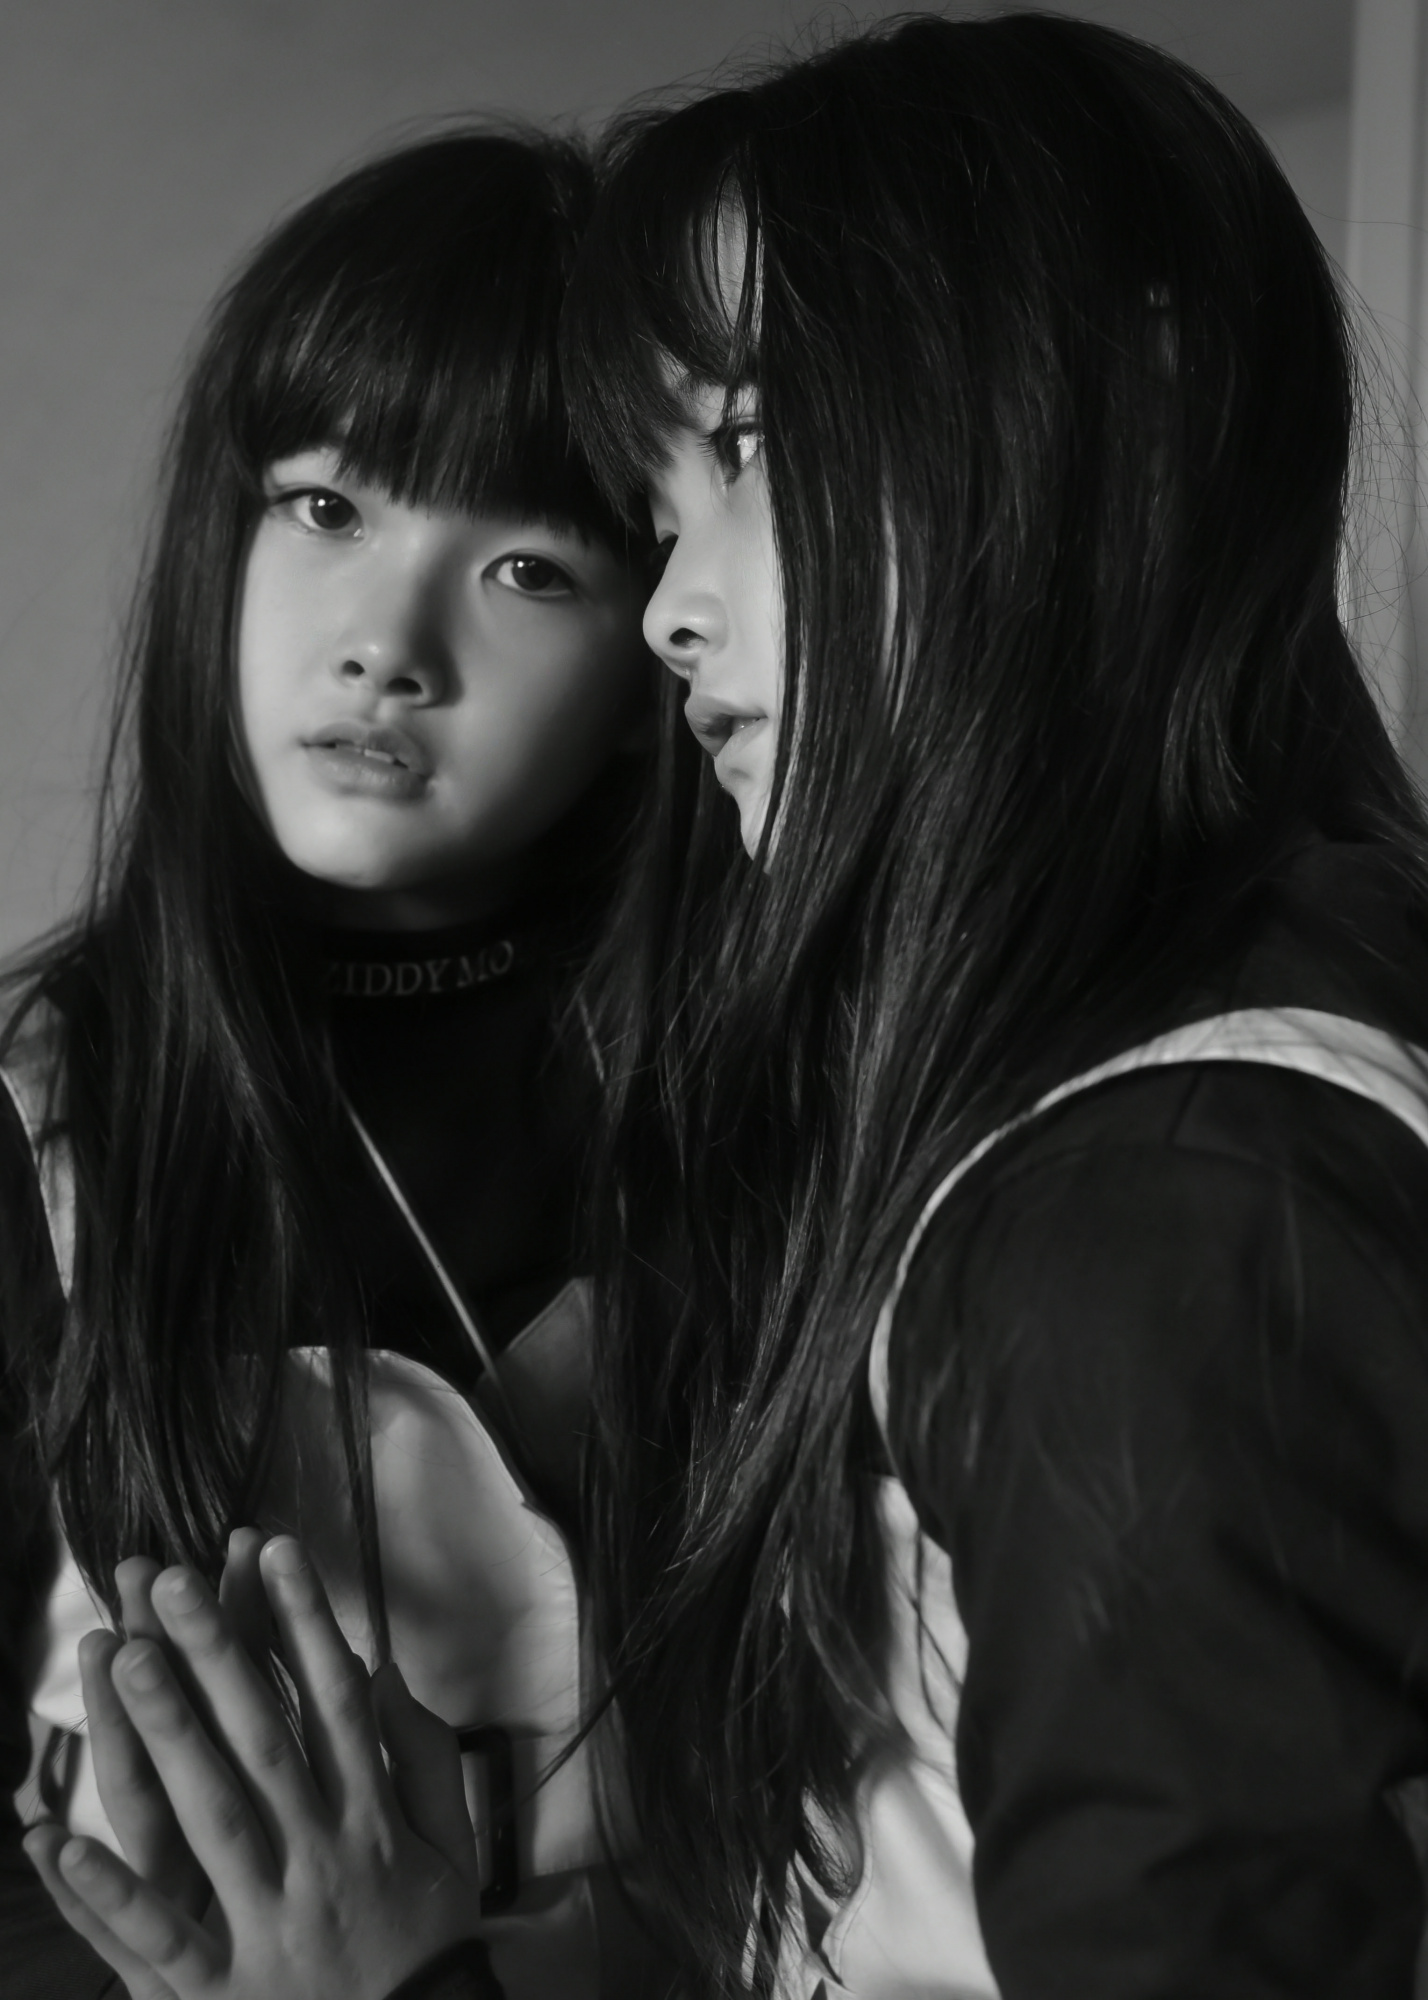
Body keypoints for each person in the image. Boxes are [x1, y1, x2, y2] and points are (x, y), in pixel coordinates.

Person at [29, 11, 1428, 1999]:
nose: (681, 607)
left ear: (1124, 415)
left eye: (749, 450)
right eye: (323, 504)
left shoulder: (1167, 1194)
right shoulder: (1101, 1092)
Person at [2, 128, 661, 2000]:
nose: (387, 648)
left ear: (665, 648)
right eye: (325, 506)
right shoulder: (49, 1108)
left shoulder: (789, 1088)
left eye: (529, 565)